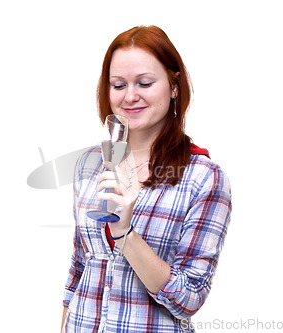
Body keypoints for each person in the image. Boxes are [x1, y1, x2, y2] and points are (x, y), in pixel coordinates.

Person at [61, 25, 232, 332]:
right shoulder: (89, 164)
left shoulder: (203, 178)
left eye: (145, 83)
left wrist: (125, 232)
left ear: (174, 86)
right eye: (118, 85)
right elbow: (78, 269)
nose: (130, 96)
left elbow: (189, 298)